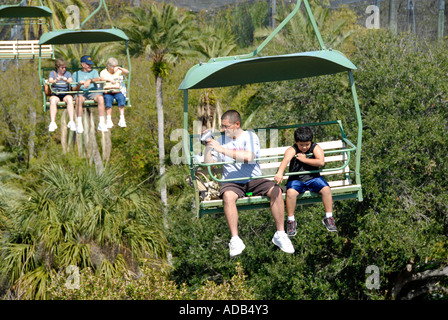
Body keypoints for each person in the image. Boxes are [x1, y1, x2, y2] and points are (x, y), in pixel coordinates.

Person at [204, 110, 294, 257]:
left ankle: (280, 234)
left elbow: (249, 157)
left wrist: (222, 150)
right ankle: (235, 239)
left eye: (226, 126)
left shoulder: (250, 136)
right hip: (232, 183)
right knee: (227, 196)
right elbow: (210, 166)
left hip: (254, 180)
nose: (223, 129)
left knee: (276, 190)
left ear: (237, 124)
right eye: (222, 126)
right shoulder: (220, 141)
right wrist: (208, 146)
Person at [274, 126, 337, 236]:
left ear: (311, 142)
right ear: (296, 142)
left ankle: (329, 217)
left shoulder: (315, 147)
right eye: (301, 145)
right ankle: (291, 220)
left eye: (307, 144)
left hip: (313, 178)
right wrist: (280, 172)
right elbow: (286, 160)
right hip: (297, 179)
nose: (304, 147)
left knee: (326, 189)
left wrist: (304, 159)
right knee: (291, 193)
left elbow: (320, 162)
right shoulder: (292, 149)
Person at [71, 55, 107, 134]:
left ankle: (101, 122)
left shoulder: (94, 72)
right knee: (79, 100)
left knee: (101, 99)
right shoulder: (76, 74)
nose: (90, 66)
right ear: (83, 65)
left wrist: (89, 80)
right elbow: (73, 89)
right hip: (81, 93)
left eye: (90, 64)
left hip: (92, 92)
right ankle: (79, 123)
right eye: (88, 64)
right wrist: (80, 85)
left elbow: (98, 79)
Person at [100, 57, 129, 128]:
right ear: (108, 66)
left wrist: (120, 68)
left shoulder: (118, 71)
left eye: (115, 66)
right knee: (108, 100)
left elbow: (127, 72)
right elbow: (101, 78)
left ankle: (122, 118)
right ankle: (109, 120)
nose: (114, 68)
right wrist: (109, 80)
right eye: (113, 66)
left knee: (121, 98)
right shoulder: (103, 72)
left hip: (117, 90)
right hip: (108, 91)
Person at [47, 58, 75, 132]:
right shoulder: (53, 73)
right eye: (62, 68)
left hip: (65, 93)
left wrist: (65, 79)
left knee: (70, 99)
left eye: (65, 67)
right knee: (53, 100)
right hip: (56, 93)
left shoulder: (67, 73)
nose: (64, 69)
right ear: (58, 67)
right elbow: (50, 80)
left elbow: (70, 80)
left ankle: (71, 121)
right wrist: (55, 80)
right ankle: (52, 122)